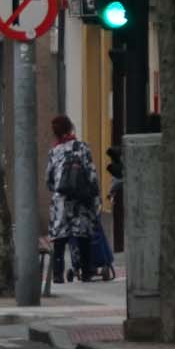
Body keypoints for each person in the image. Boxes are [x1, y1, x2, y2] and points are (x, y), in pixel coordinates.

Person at [44, 115, 100, 282]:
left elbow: (49, 178)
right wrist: (94, 196)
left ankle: (57, 274)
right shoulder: (83, 147)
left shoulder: (54, 152)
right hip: (81, 199)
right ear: (70, 128)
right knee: (83, 234)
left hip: (60, 200)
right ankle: (86, 271)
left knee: (59, 238)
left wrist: (57, 190)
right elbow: (91, 173)